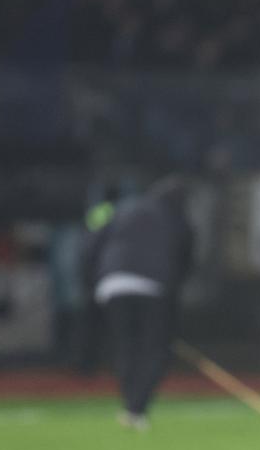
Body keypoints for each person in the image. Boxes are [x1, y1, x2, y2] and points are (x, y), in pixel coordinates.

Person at [83, 179, 194, 429]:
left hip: (112, 284)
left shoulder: (125, 208)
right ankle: (136, 408)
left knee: (127, 346)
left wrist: (93, 281)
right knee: (155, 349)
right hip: (153, 286)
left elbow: (92, 245)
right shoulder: (177, 219)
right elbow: (185, 261)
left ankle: (130, 405)